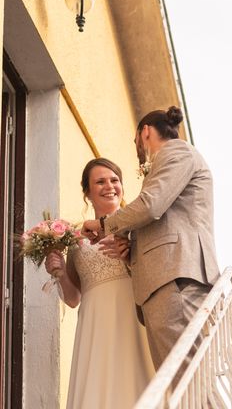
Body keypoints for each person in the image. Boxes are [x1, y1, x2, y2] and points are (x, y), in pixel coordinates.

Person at [82, 106, 220, 369]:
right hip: (166, 281)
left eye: (135, 142)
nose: (137, 150)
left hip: (175, 279)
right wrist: (131, 247)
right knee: (181, 384)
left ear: (145, 132)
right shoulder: (172, 159)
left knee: (187, 383)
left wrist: (104, 224)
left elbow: (151, 206)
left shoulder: (176, 152)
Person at [45, 158, 155, 409]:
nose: (110, 186)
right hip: (94, 325)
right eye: (100, 181)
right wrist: (59, 272)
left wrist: (130, 255)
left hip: (132, 317)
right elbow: (73, 299)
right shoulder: (74, 240)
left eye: (115, 180)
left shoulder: (137, 228)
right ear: (87, 192)